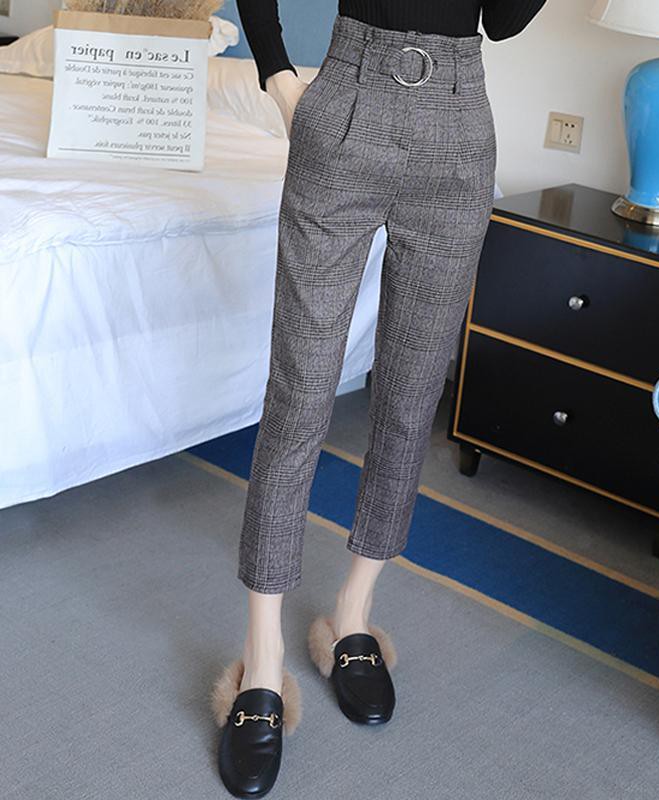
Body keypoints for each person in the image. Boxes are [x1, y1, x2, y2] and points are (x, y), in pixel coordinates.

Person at [211, 2, 548, 797]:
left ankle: (353, 614)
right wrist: (279, 77)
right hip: (345, 107)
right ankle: (262, 656)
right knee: (300, 394)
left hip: (459, 129)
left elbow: (503, 20)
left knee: (409, 395)